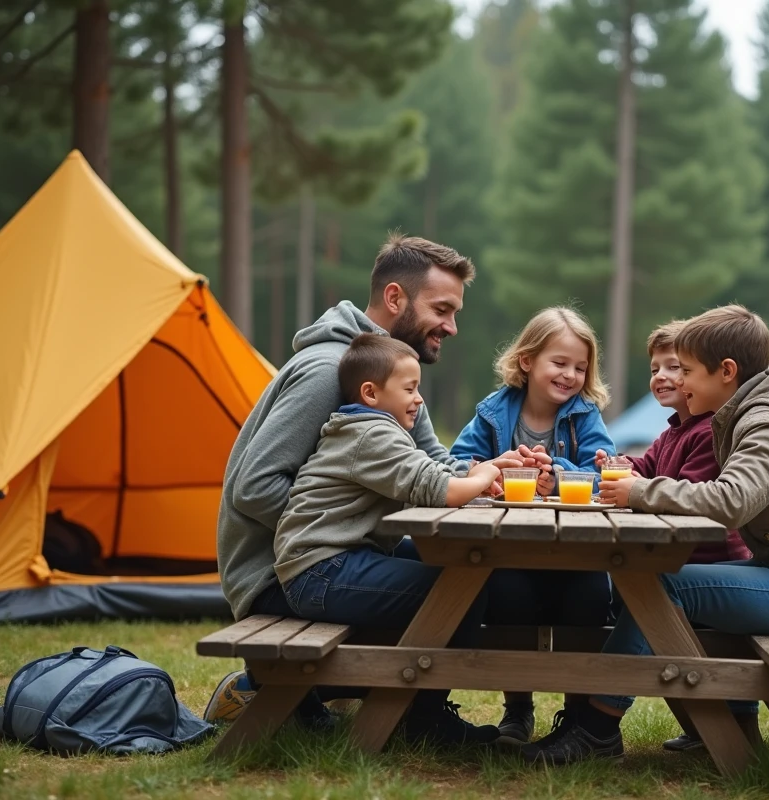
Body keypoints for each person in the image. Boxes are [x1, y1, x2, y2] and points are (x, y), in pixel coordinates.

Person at [520, 304, 769, 767]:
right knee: (665, 583)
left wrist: (640, 491)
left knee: (661, 585)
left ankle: (596, 729)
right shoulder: (745, 414)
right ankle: (728, 730)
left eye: (689, 371)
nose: (681, 383)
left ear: (727, 372)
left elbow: (731, 500)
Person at [205, 234, 530, 732]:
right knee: (454, 591)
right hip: (281, 574)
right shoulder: (328, 370)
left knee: (475, 571)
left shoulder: (391, 371)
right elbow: (254, 487)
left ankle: (331, 696)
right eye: (441, 309)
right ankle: (389, 712)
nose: (451, 326)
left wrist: (490, 472)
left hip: (342, 551)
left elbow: (430, 464)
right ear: (395, 297)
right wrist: (345, 533)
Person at [274, 334, 503, 745]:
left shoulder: (369, 429)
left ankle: (417, 708)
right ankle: (425, 720)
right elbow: (439, 488)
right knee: (458, 590)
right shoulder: (371, 435)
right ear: (371, 393)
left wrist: (479, 474)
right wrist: (484, 475)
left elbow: (431, 474)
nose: (419, 399)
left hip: (330, 563)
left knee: (458, 573)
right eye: (410, 389)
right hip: (320, 571)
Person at [451, 306, 616, 746]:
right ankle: (518, 708)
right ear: (527, 361)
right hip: (511, 547)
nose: (570, 375)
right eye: (559, 362)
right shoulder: (492, 412)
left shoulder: (585, 416)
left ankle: (577, 714)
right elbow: (457, 463)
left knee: (591, 598)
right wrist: (495, 468)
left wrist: (558, 472)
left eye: (580, 367)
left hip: (578, 551)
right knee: (506, 596)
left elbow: (603, 474)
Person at [593, 320, 754, 753]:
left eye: (676, 368)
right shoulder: (672, 432)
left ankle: (597, 723)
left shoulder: (709, 432)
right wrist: (620, 466)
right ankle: (710, 728)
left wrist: (638, 489)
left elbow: (686, 493)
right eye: (655, 369)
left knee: (645, 600)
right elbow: (647, 470)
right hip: (683, 561)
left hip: (713, 565)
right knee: (628, 594)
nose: (663, 377)